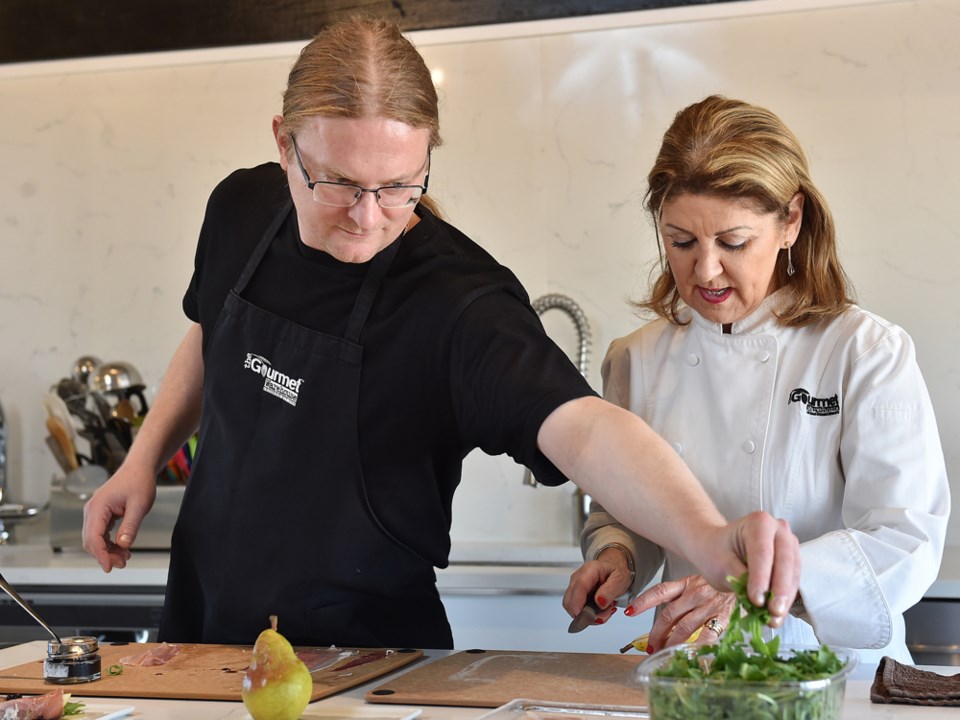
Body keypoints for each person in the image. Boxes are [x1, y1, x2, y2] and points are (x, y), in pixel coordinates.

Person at [82, 21, 800, 650]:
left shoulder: (459, 302)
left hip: (361, 661)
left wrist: (707, 539)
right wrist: (143, 459)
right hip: (202, 625)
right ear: (283, 143)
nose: (368, 217)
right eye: (337, 183)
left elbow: (583, 429)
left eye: (400, 185)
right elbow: (211, 335)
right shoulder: (240, 209)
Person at [562, 95, 950, 663]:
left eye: (733, 242)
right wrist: (617, 554)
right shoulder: (635, 360)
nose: (706, 270)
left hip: (834, 674)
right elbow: (625, 509)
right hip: (691, 670)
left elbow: (903, 541)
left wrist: (746, 589)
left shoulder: (865, 352)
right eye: (682, 242)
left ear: (790, 221)